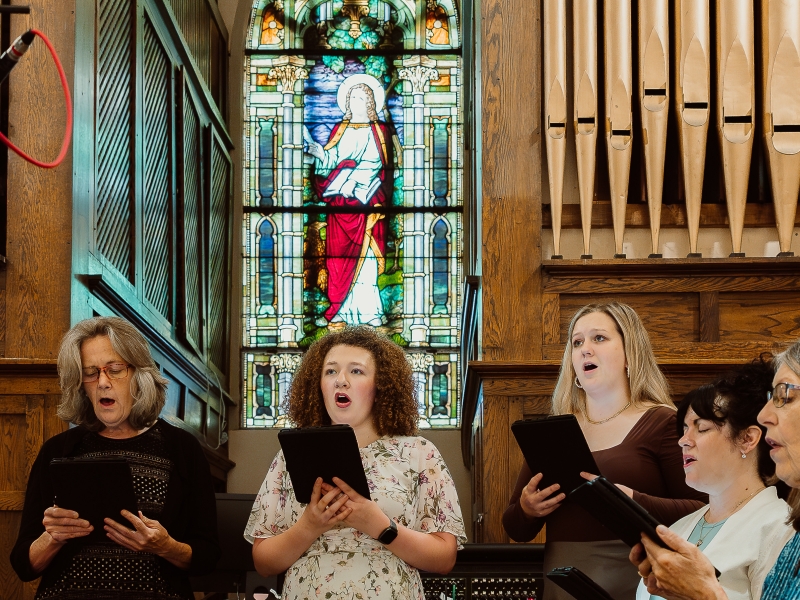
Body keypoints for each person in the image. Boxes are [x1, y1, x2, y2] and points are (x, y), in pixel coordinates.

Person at [503, 302, 707, 600]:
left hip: (637, 583)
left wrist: (635, 502)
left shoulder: (662, 421)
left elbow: (703, 511)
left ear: (629, 353)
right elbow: (515, 528)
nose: (585, 348)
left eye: (599, 338)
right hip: (563, 585)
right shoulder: (553, 432)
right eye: (577, 342)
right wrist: (527, 509)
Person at [244, 326, 466, 599]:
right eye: (331, 371)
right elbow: (263, 563)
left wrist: (380, 526)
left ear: (380, 387)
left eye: (356, 371)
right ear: (319, 385)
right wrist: (309, 526)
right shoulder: (289, 456)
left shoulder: (420, 453)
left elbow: (444, 559)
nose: (341, 381)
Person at [10, 317, 220, 599]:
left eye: (115, 369)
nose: (103, 383)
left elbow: (208, 557)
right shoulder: (58, 450)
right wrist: (53, 537)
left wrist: (165, 545)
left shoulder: (181, 448)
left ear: (139, 374)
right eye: (91, 373)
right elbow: (24, 566)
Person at [632, 340, 800, 600]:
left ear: (747, 439)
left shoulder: (780, 527)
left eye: (702, 428)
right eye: (684, 429)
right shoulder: (677, 529)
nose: (684, 440)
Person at [306, 75, 392, 327]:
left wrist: (358, 178)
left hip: (365, 200)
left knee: (365, 262)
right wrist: (318, 153)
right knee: (338, 258)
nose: (354, 102)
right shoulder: (340, 130)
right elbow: (332, 159)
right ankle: (341, 309)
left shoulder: (380, 131)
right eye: (351, 98)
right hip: (340, 205)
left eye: (360, 98)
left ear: (370, 102)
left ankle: (369, 312)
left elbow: (382, 164)